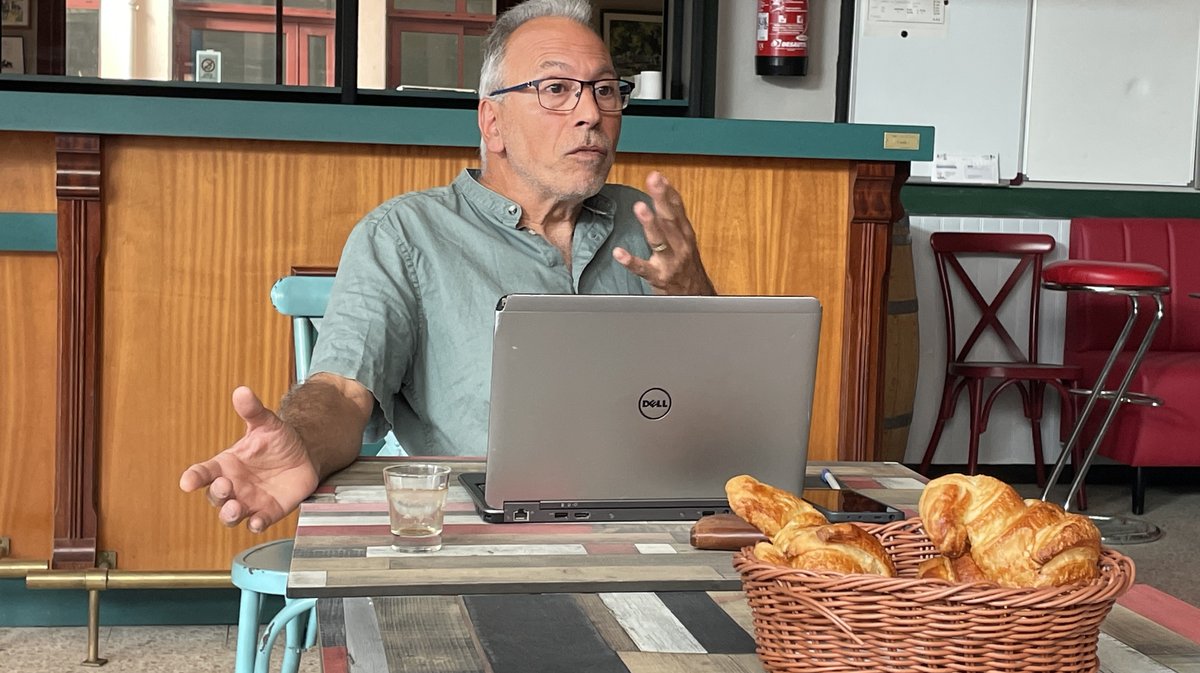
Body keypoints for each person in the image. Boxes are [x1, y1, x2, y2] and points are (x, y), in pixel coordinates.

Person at [179, 0, 716, 533]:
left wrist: (696, 297)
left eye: (605, 89)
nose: (591, 113)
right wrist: (301, 442)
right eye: (556, 90)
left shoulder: (645, 221)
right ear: (493, 121)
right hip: (480, 533)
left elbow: (718, 406)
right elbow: (343, 392)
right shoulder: (405, 235)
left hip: (648, 520)